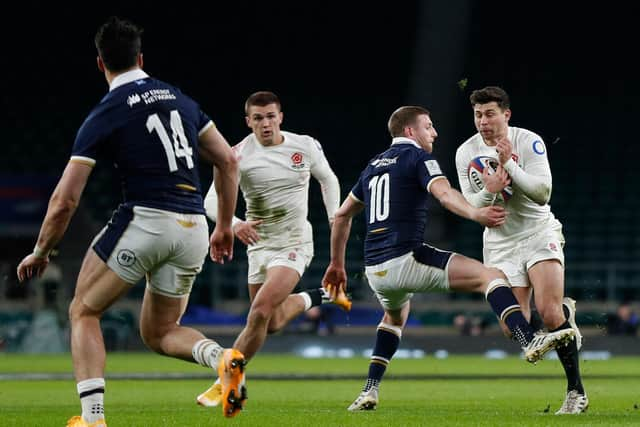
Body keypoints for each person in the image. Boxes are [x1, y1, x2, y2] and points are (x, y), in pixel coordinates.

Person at [16, 16, 247, 426]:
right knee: (159, 332)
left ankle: (93, 418)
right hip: (193, 226)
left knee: (83, 311)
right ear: (141, 57)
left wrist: (41, 250)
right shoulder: (181, 98)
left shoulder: (107, 111)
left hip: (146, 220)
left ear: (100, 64)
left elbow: (65, 200)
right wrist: (225, 225)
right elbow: (228, 159)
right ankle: (222, 358)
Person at [321, 106, 574, 412]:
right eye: (428, 127)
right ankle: (529, 339)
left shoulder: (373, 166)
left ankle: (369, 390)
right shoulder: (418, 158)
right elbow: (444, 194)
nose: (435, 133)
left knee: (393, 319)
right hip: (407, 257)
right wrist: (476, 213)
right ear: (410, 131)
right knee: (490, 277)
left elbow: (341, 216)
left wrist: (336, 264)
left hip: (375, 270)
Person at [198, 91, 350, 406]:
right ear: (248, 121)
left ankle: (228, 380)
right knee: (273, 322)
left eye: (270, 116)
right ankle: (321, 296)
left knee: (259, 311)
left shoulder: (305, 145)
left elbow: (328, 180)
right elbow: (210, 201)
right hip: (259, 246)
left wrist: (334, 215)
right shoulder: (237, 154)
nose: (265, 124)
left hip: (294, 242)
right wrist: (235, 223)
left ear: (280, 117)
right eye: (258, 118)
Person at [455, 86, 587, 414]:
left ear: (506, 115)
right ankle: (565, 317)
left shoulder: (528, 141)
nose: (483, 121)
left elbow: (543, 193)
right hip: (500, 242)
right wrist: (489, 193)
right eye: (477, 114)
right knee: (514, 326)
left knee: (550, 312)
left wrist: (508, 167)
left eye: (489, 114)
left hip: (538, 232)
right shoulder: (464, 152)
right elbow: (473, 204)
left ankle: (576, 393)